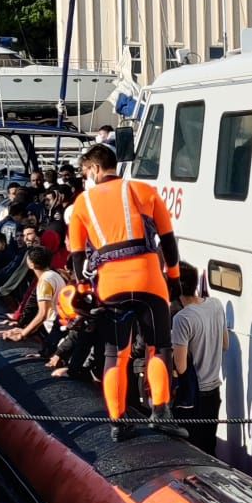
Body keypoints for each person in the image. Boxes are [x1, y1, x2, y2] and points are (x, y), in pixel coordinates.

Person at [67, 140, 181, 419]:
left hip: (110, 285)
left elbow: (77, 255)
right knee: (158, 347)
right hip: (149, 280)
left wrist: (82, 290)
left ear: (94, 168)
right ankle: (160, 413)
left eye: (86, 173)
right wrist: (174, 279)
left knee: (115, 355)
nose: (87, 178)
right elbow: (168, 241)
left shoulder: (83, 202)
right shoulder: (144, 190)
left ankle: (118, 421)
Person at [170, 261, 229, 455]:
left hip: (194, 397)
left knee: (189, 449)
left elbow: (181, 366)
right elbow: (225, 344)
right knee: (208, 448)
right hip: (214, 392)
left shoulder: (182, 318)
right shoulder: (216, 304)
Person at [2, 246, 60, 344]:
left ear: (31, 264)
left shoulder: (45, 281)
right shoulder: (55, 275)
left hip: (56, 329)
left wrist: (22, 334)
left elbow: (43, 314)